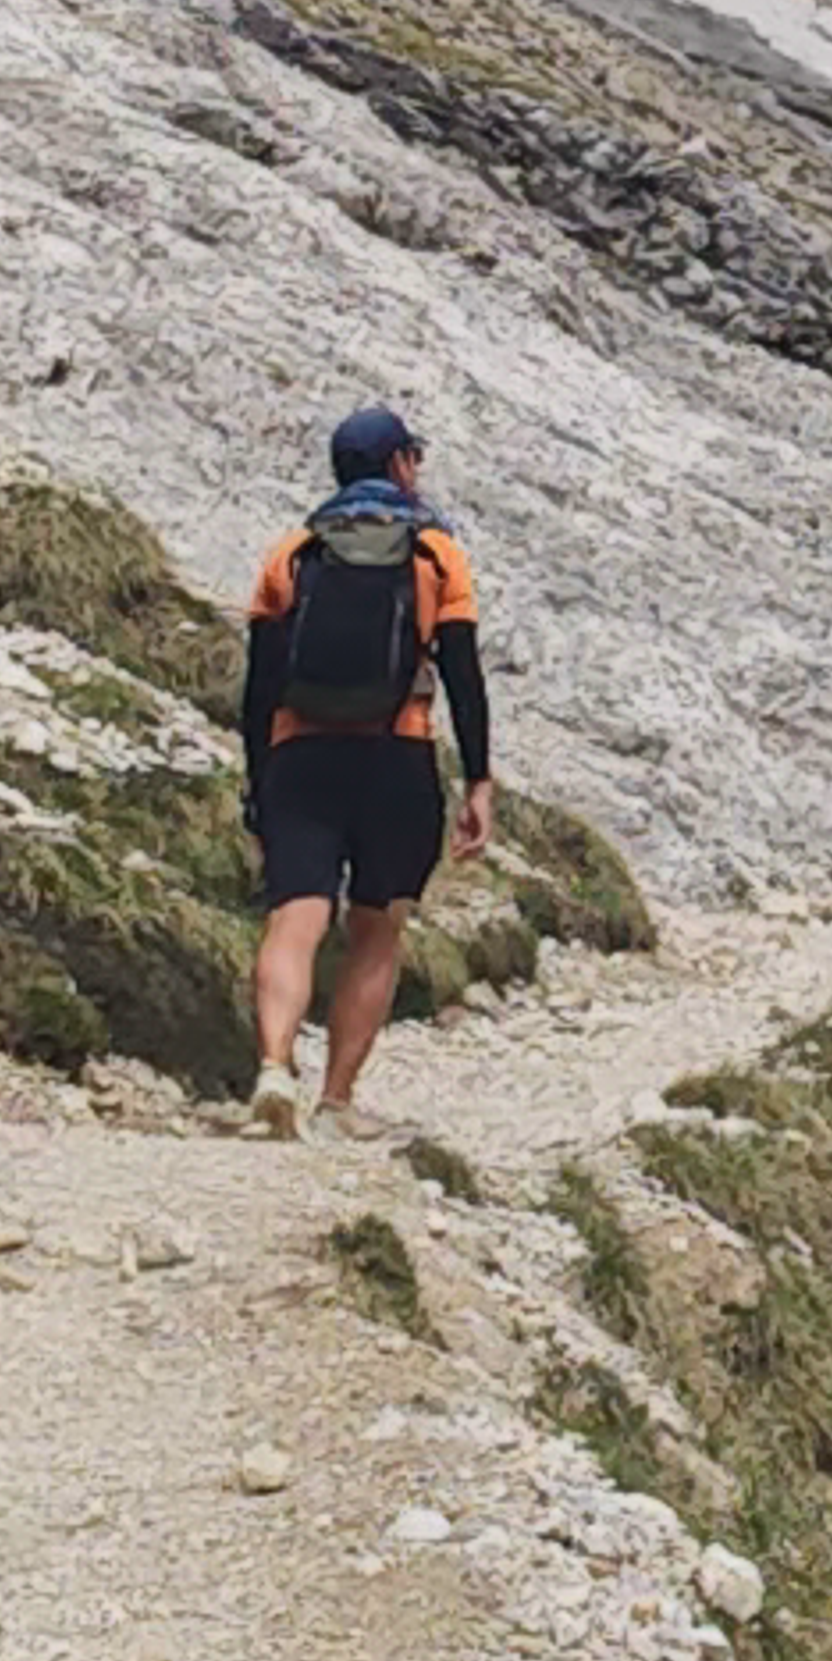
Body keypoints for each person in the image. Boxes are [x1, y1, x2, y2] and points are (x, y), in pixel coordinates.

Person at [240, 405, 495, 1138]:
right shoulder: (436, 554)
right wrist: (478, 780)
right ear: (399, 466)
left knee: (296, 916)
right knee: (377, 929)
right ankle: (337, 1102)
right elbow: (463, 676)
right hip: (397, 753)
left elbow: (258, 689)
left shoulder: (291, 553)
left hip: (301, 754)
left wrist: (262, 782)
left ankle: (272, 1065)